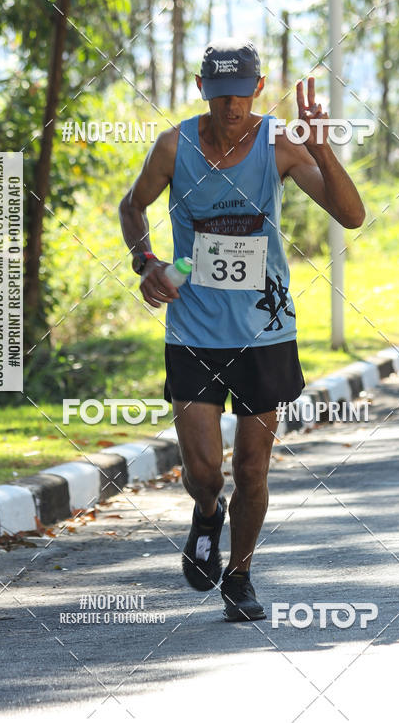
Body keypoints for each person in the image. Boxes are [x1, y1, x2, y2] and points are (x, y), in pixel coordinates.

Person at [119, 37, 365, 621]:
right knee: (205, 473)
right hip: (193, 330)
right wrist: (145, 261)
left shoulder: (280, 144)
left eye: (241, 93)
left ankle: (240, 576)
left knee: (252, 467)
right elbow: (132, 206)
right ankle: (207, 515)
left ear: (258, 88)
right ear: (202, 89)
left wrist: (322, 149)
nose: (231, 106)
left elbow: (352, 215)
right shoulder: (173, 146)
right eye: (220, 93)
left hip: (264, 332)